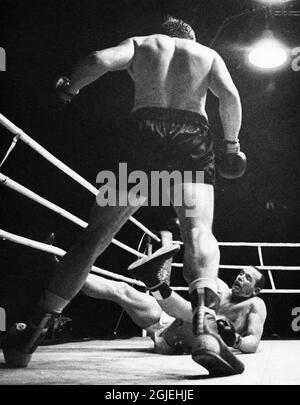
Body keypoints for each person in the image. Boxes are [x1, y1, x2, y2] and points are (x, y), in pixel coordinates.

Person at [3, 16, 246, 375]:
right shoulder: (206, 54)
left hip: (141, 134)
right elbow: (230, 97)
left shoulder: (143, 43)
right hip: (191, 134)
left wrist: (69, 89)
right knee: (197, 230)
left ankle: (33, 332)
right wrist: (231, 145)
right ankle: (204, 324)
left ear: (164, 33)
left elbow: (98, 60)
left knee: (95, 237)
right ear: (189, 37)